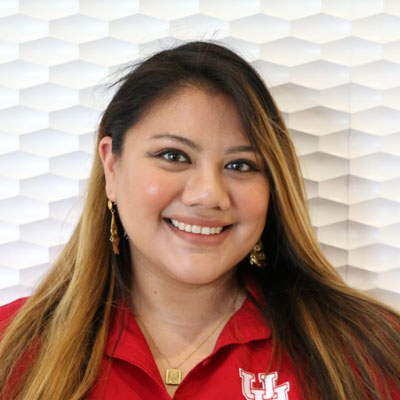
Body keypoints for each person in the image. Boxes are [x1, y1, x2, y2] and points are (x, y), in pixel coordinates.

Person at [0, 41, 399, 400]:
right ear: (112, 166)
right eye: (174, 156)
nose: (208, 194)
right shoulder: (10, 345)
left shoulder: (372, 350)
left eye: (240, 165)